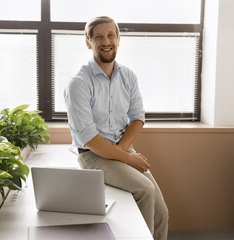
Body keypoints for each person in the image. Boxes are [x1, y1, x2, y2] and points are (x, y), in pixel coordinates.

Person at [64, 16, 169, 240]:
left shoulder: (128, 76)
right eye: (99, 36)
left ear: (119, 39)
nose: (106, 41)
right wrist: (127, 159)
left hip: (122, 147)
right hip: (93, 155)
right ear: (88, 42)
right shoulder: (78, 83)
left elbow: (137, 118)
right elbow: (89, 138)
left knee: (162, 213)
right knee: (145, 190)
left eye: (111, 35)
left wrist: (122, 151)